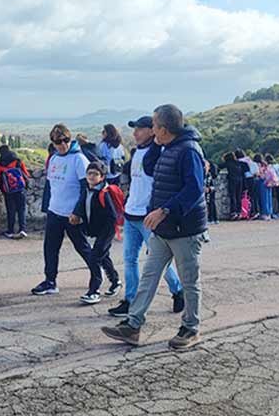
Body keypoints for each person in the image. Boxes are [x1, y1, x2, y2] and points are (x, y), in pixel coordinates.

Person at [102, 104, 206, 351]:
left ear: (163, 128)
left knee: (189, 281)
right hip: (163, 228)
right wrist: (153, 146)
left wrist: (165, 210)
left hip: (185, 229)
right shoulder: (166, 148)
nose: (151, 130)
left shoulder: (188, 151)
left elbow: (194, 189)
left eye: (154, 125)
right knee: (149, 275)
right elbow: (150, 170)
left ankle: (191, 328)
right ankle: (133, 325)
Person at [108, 116, 184, 318]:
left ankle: (177, 290)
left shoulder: (158, 153)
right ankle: (130, 299)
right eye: (135, 129)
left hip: (148, 215)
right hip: (131, 212)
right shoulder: (136, 153)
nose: (135, 133)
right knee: (129, 259)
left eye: (140, 129)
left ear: (152, 131)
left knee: (157, 260)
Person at [32, 124, 94, 295]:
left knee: (82, 246)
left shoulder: (78, 159)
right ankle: (50, 280)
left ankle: (97, 274)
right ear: (53, 142)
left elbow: (86, 187)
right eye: (58, 141)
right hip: (55, 210)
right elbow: (51, 186)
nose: (63, 144)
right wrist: (48, 207)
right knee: (50, 247)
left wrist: (78, 212)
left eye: (66, 140)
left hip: (71, 213)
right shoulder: (53, 159)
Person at [71, 161, 122, 304]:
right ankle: (115, 281)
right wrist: (76, 215)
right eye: (89, 173)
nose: (91, 176)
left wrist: (105, 235)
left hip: (106, 231)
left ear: (102, 176)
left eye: (95, 174)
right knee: (103, 256)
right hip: (98, 231)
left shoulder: (104, 193)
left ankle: (94, 291)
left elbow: (112, 217)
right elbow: (82, 204)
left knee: (94, 258)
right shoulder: (87, 189)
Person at [0, 145, 30, 239]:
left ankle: (10, 231)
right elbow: (26, 174)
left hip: (9, 191)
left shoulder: (1, 165)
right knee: (21, 209)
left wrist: (2, 189)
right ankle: (22, 229)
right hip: (20, 189)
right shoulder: (18, 161)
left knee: (11, 210)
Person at [219, 152, 247, 220]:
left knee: (233, 196)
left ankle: (233, 212)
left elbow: (220, 166)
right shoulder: (239, 163)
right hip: (240, 180)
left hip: (232, 180)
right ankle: (239, 212)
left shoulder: (228, 163)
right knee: (238, 196)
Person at [256, 154, 277, 221]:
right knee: (269, 198)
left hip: (263, 182)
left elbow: (260, 175)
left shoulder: (259, 165)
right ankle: (269, 213)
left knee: (264, 199)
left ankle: (265, 214)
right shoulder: (266, 165)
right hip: (270, 182)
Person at [204, 159, 219, 224]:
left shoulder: (208, 175)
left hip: (209, 191)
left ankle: (211, 219)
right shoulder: (210, 174)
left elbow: (210, 184)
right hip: (210, 190)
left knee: (210, 204)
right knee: (211, 204)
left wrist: (208, 188)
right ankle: (214, 219)